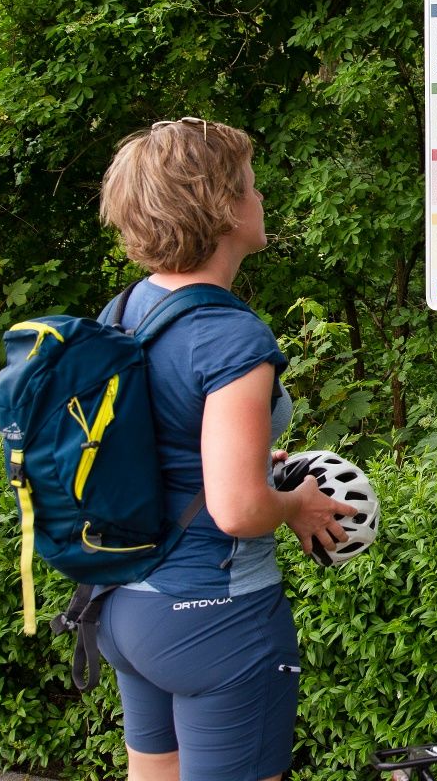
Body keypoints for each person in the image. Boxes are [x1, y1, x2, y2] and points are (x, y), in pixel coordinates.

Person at [95, 117, 355, 781]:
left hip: (126, 605)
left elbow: (155, 446)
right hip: (217, 619)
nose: (261, 199)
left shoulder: (124, 311)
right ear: (221, 208)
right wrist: (295, 502)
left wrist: (238, 463)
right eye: (251, 186)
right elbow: (238, 511)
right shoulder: (232, 339)